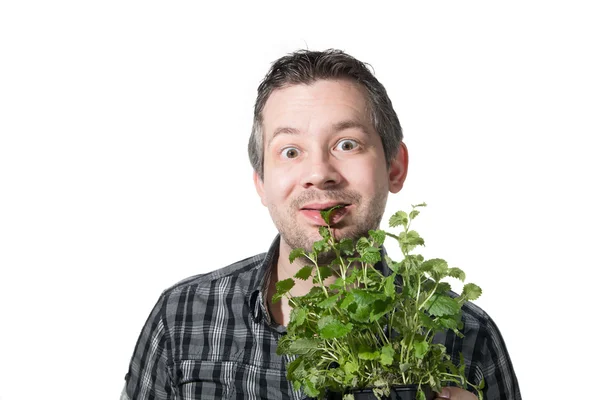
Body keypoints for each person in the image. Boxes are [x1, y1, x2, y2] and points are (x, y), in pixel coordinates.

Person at [121, 49, 521, 400]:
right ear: (261, 182)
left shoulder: (466, 333)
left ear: (395, 167)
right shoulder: (183, 317)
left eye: (347, 144)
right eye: (290, 150)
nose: (319, 173)